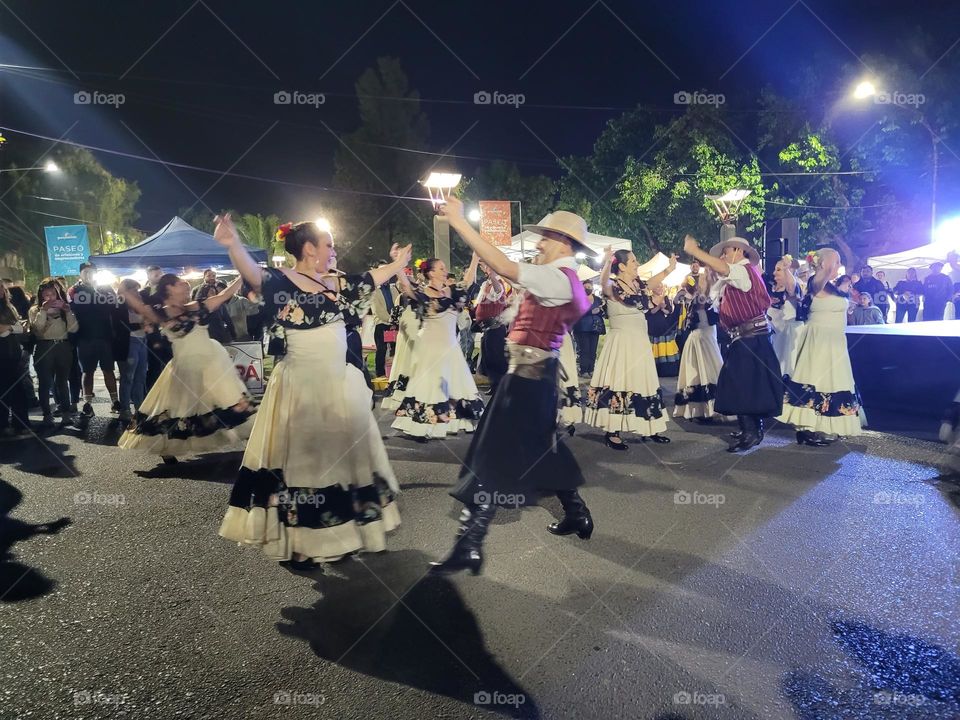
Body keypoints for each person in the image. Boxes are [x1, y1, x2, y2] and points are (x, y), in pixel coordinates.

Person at [216, 216, 410, 569]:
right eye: (328, 245)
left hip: (337, 383)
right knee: (306, 466)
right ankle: (302, 543)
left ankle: (339, 534)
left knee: (339, 462)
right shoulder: (279, 281)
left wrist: (398, 264)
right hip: (302, 385)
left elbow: (371, 278)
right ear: (309, 249)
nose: (333, 251)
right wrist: (232, 245)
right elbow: (252, 274)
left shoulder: (335, 282)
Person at [429, 199, 595, 576]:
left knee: (492, 454)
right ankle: (577, 513)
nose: (539, 243)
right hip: (529, 377)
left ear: (565, 243)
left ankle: (469, 543)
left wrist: (459, 222)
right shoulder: (557, 276)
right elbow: (504, 275)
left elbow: (505, 267)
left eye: (546, 238)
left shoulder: (558, 278)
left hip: (528, 379)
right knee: (541, 449)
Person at [117, 273, 255, 464]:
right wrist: (124, 291)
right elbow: (139, 306)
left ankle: (249, 437)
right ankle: (165, 447)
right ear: (169, 288)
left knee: (226, 399)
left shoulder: (197, 306)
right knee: (178, 409)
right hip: (185, 366)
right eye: (182, 284)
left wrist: (243, 275)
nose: (187, 288)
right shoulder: (160, 313)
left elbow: (224, 295)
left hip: (211, 362)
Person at [682, 235, 783, 452]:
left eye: (726, 252)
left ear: (737, 251)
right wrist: (708, 278)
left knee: (743, 384)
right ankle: (751, 428)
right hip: (744, 338)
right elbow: (708, 298)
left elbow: (726, 271)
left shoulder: (743, 270)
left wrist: (696, 251)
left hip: (751, 337)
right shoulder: (735, 276)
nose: (723, 256)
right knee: (745, 384)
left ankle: (751, 431)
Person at [585, 249, 674, 449]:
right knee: (619, 382)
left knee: (644, 382)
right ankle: (613, 431)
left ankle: (650, 427)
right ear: (622, 266)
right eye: (633, 261)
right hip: (621, 342)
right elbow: (603, 280)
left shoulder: (639, 286)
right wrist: (606, 263)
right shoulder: (612, 287)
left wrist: (669, 269)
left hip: (640, 341)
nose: (637, 264)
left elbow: (654, 282)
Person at [392, 255, 483, 440]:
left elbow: (467, 280)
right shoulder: (423, 293)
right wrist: (398, 263)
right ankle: (422, 428)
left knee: (454, 384)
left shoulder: (453, 291)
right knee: (430, 386)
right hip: (431, 348)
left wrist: (475, 258)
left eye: (444, 268)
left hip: (450, 346)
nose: (445, 271)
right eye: (441, 268)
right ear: (431, 273)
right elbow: (406, 287)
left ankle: (449, 422)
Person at [778, 248, 863, 445]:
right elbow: (814, 281)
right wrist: (817, 267)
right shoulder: (815, 282)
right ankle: (808, 428)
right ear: (824, 264)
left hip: (835, 340)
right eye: (837, 261)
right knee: (816, 379)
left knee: (832, 381)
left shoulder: (831, 286)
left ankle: (822, 427)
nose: (839, 265)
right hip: (820, 339)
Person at [673, 272, 728, 422]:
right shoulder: (697, 297)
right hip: (697, 336)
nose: (703, 280)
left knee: (710, 369)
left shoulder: (716, 295)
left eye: (705, 279)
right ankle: (698, 409)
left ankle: (713, 407)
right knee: (697, 372)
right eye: (702, 279)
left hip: (708, 336)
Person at [69, 264, 120, 416]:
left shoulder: (106, 288)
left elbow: (114, 306)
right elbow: (72, 308)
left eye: (91, 272)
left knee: (108, 370)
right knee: (87, 371)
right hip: (84, 338)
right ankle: (87, 404)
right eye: (85, 272)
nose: (88, 275)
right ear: (80, 274)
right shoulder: (74, 290)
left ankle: (115, 401)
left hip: (105, 337)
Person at [29, 279, 79, 427]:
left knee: (62, 382)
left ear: (58, 294)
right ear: (41, 296)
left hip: (63, 346)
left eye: (53, 294)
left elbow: (74, 329)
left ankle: (66, 414)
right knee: (45, 382)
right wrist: (43, 311)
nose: (50, 298)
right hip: (44, 346)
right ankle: (47, 415)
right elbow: (37, 329)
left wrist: (68, 311)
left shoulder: (64, 308)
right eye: (46, 295)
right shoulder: (35, 310)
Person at [474, 263, 516, 396]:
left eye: (488, 266)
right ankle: (495, 385)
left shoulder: (499, 283)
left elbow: (498, 291)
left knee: (497, 358)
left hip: (495, 327)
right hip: (486, 327)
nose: (486, 269)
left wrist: (492, 275)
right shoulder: (485, 284)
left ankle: (502, 387)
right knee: (489, 359)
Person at [381, 270, 420, 411]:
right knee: (405, 362)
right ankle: (404, 394)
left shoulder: (415, 297)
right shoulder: (402, 298)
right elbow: (395, 319)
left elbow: (394, 319)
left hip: (414, 334)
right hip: (406, 335)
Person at [114, 279, 148, 424]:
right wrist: (142, 321)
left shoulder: (140, 302)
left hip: (143, 341)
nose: (137, 292)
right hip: (129, 342)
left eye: (137, 290)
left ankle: (139, 408)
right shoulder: (119, 303)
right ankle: (125, 410)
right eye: (134, 290)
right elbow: (122, 322)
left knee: (140, 377)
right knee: (128, 376)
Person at [0, 283, 29, 437]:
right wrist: (11, 328)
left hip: (13, 353)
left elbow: (19, 327)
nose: (1, 291)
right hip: (3, 354)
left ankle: (20, 423)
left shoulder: (9, 307)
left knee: (18, 389)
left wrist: (9, 328)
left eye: (2, 288)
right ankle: (3, 424)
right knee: (3, 390)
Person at [768, 256, 804, 378]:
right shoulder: (772, 287)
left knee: (788, 367)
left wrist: (786, 269)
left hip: (791, 334)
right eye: (775, 269)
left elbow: (791, 288)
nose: (774, 273)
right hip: (776, 334)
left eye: (778, 270)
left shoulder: (795, 286)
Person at [646, 284, 682, 377]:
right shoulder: (648, 299)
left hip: (663, 325)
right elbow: (650, 312)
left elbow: (669, 311)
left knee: (666, 345)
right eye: (658, 286)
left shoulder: (665, 298)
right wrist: (658, 307)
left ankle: (667, 370)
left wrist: (663, 309)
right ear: (652, 289)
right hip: (653, 325)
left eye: (661, 286)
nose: (660, 288)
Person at [572, 280, 604, 378]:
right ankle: (584, 370)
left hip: (595, 327)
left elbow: (602, 310)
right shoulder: (579, 299)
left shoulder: (598, 299)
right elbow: (577, 312)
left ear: (592, 288)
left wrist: (602, 309)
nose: (587, 289)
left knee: (593, 350)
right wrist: (591, 312)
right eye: (585, 287)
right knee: (584, 349)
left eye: (589, 287)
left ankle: (591, 369)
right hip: (582, 327)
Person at [370, 277, 400, 378]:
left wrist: (395, 321)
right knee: (381, 350)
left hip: (394, 325)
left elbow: (398, 305)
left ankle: (395, 372)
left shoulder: (393, 289)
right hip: (382, 324)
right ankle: (380, 374)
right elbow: (378, 311)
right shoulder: (374, 292)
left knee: (396, 349)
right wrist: (391, 320)